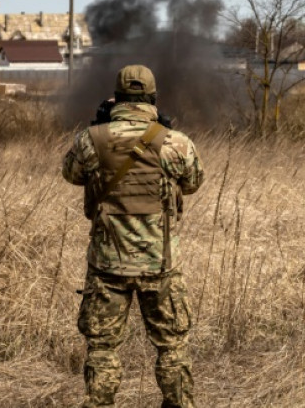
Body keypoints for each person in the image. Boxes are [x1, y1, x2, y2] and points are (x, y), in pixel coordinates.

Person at [63, 64, 204, 408]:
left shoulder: (91, 140)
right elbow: (192, 182)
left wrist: (99, 125)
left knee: (102, 348)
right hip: (160, 264)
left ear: (117, 98)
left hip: (108, 266)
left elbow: (71, 173)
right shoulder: (174, 142)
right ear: (153, 98)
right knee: (172, 347)